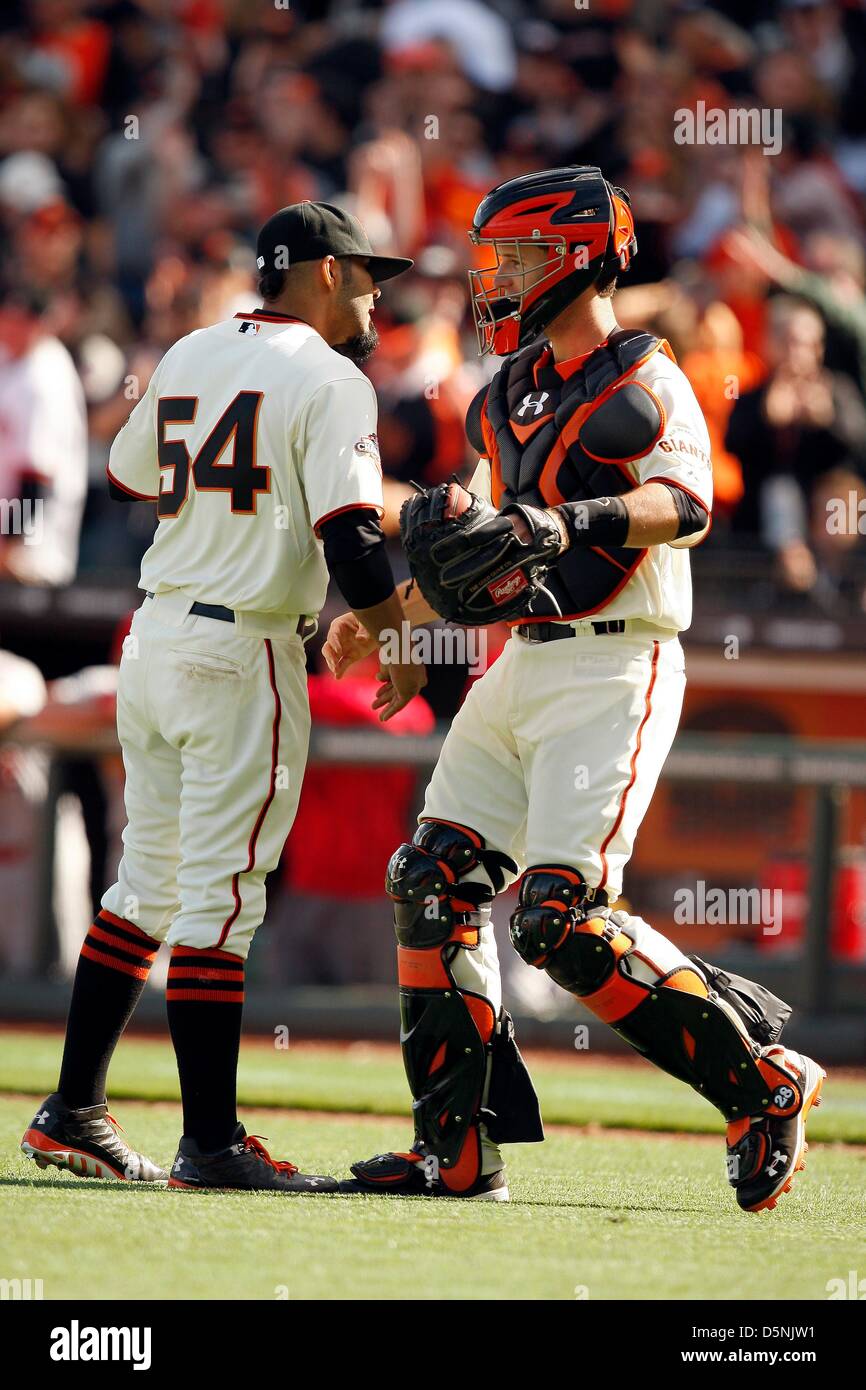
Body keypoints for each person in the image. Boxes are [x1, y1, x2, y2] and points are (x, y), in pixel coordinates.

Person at [324, 166, 826, 1211]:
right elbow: (497, 558)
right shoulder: (513, 389)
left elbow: (681, 504)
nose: (492, 280)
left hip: (616, 656)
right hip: (524, 656)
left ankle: (760, 1083)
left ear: (575, 254)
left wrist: (563, 524)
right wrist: (392, 620)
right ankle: (452, 1153)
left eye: (512, 259)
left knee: (558, 920)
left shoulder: (647, 375)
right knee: (431, 879)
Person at [21, 201, 425, 1193]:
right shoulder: (331, 378)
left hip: (156, 632)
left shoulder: (193, 349)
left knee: (145, 885)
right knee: (220, 898)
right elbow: (351, 537)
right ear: (323, 275)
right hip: (240, 648)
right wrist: (399, 638)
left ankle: (75, 1106)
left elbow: (129, 471)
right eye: (365, 273)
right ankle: (210, 1141)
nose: (376, 292)